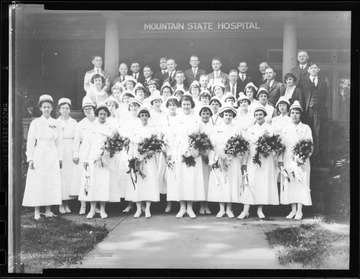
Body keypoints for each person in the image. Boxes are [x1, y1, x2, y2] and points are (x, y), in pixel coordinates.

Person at [23, 94, 63, 220]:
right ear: (40, 108)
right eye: (44, 107)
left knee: (50, 181)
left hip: (52, 153)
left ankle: (48, 210)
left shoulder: (56, 123)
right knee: (38, 181)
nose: (46, 109)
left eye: (49, 107)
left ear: (52, 108)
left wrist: (60, 158)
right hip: (39, 153)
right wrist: (30, 158)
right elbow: (30, 141)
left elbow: (59, 142)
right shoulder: (36, 122)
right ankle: (36, 211)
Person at [238, 106, 279, 220]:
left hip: (266, 160)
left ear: (265, 116)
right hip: (252, 159)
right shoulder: (251, 129)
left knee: (262, 183)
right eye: (256, 115)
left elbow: (275, 145)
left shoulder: (270, 128)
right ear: (254, 116)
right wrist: (244, 162)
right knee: (250, 182)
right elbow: (246, 146)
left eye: (261, 114)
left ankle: (260, 210)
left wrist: (267, 148)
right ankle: (245, 210)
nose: (259, 117)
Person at [169, 94, 206, 219]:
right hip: (179, 151)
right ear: (181, 105)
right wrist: (172, 154)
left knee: (190, 179)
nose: (186, 106)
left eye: (188, 104)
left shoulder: (197, 119)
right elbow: (172, 137)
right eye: (184, 104)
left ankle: (190, 208)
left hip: (192, 152)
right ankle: (182, 207)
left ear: (192, 105)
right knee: (180, 178)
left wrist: (196, 149)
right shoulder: (176, 119)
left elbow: (202, 137)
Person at [81, 103, 117, 219]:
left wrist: (108, 152)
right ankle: (91, 210)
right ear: (97, 114)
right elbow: (86, 144)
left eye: (104, 114)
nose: (102, 116)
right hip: (93, 158)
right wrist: (85, 159)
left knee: (103, 183)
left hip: (105, 158)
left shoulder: (111, 127)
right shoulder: (92, 127)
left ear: (107, 115)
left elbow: (115, 144)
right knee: (92, 183)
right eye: (100, 114)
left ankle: (102, 209)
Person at [208, 106, 245, 218]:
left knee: (231, 182)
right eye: (225, 115)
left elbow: (241, 145)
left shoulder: (237, 128)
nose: (228, 117)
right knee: (221, 182)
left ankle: (229, 209)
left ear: (233, 116)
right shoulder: (216, 128)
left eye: (230, 115)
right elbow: (212, 145)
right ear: (222, 116)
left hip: (232, 158)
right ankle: (221, 209)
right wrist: (212, 159)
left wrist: (236, 152)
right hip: (219, 157)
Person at [278, 101, 313, 220]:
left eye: (297, 113)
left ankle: (299, 210)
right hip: (288, 158)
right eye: (292, 113)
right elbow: (281, 146)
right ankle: (292, 210)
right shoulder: (286, 128)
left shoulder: (306, 128)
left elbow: (309, 145)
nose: (294, 115)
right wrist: (280, 160)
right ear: (290, 113)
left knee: (300, 183)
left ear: (300, 115)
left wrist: (300, 159)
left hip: (301, 160)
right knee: (290, 183)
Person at [129, 107, 160, 218]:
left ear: (148, 116)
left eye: (146, 115)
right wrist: (134, 157)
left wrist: (150, 151)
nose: (144, 117)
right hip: (137, 158)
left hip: (149, 159)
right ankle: (138, 209)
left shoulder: (153, 129)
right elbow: (132, 145)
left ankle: (147, 208)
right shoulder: (135, 129)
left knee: (149, 182)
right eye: (142, 115)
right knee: (138, 184)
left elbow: (156, 145)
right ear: (139, 117)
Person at [71, 96, 97, 215]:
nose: (87, 110)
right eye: (85, 108)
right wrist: (76, 154)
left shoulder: (99, 121)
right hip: (84, 152)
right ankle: (83, 205)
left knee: (95, 178)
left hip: (96, 153)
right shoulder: (80, 124)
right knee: (83, 179)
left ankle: (94, 205)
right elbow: (76, 140)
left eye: (89, 108)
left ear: (93, 108)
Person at [300, 61, 328, 165]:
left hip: (319, 111)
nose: (313, 69)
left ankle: (317, 158)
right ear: (308, 70)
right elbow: (302, 97)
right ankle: (308, 157)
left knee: (318, 133)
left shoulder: (323, 81)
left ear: (318, 69)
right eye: (311, 68)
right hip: (308, 111)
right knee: (308, 133)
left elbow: (325, 98)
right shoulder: (303, 81)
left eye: (315, 68)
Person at [57, 98, 78, 214]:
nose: (65, 110)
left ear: (70, 110)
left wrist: (75, 154)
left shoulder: (73, 122)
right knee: (61, 177)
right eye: (63, 108)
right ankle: (61, 204)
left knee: (69, 177)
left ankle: (67, 203)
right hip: (60, 150)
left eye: (67, 108)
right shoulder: (56, 122)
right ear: (59, 110)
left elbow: (76, 139)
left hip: (70, 150)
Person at [122, 98, 143, 213]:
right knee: (130, 174)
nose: (134, 108)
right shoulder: (126, 121)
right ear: (129, 108)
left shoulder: (142, 120)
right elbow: (124, 135)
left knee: (139, 174)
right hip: (129, 149)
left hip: (139, 149)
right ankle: (130, 203)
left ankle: (141, 204)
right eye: (132, 106)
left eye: (136, 106)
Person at [161, 96, 180, 213]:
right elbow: (162, 136)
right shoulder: (164, 119)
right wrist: (165, 150)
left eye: (174, 104)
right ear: (167, 106)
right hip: (168, 150)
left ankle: (180, 203)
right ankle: (169, 203)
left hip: (178, 149)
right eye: (170, 105)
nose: (172, 107)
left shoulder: (180, 118)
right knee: (169, 177)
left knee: (179, 176)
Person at [198, 106, 214, 215]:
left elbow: (213, 142)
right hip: (199, 156)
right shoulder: (197, 126)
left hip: (209, 155)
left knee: (208, 181)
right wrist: (201, 152)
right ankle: (200, 205)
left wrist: (208, 154)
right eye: (203, 113)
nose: (205, 115)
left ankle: (207, 205)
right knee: (200, 180)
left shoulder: (213, 127)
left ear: (210, 115)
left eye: (207, 113)